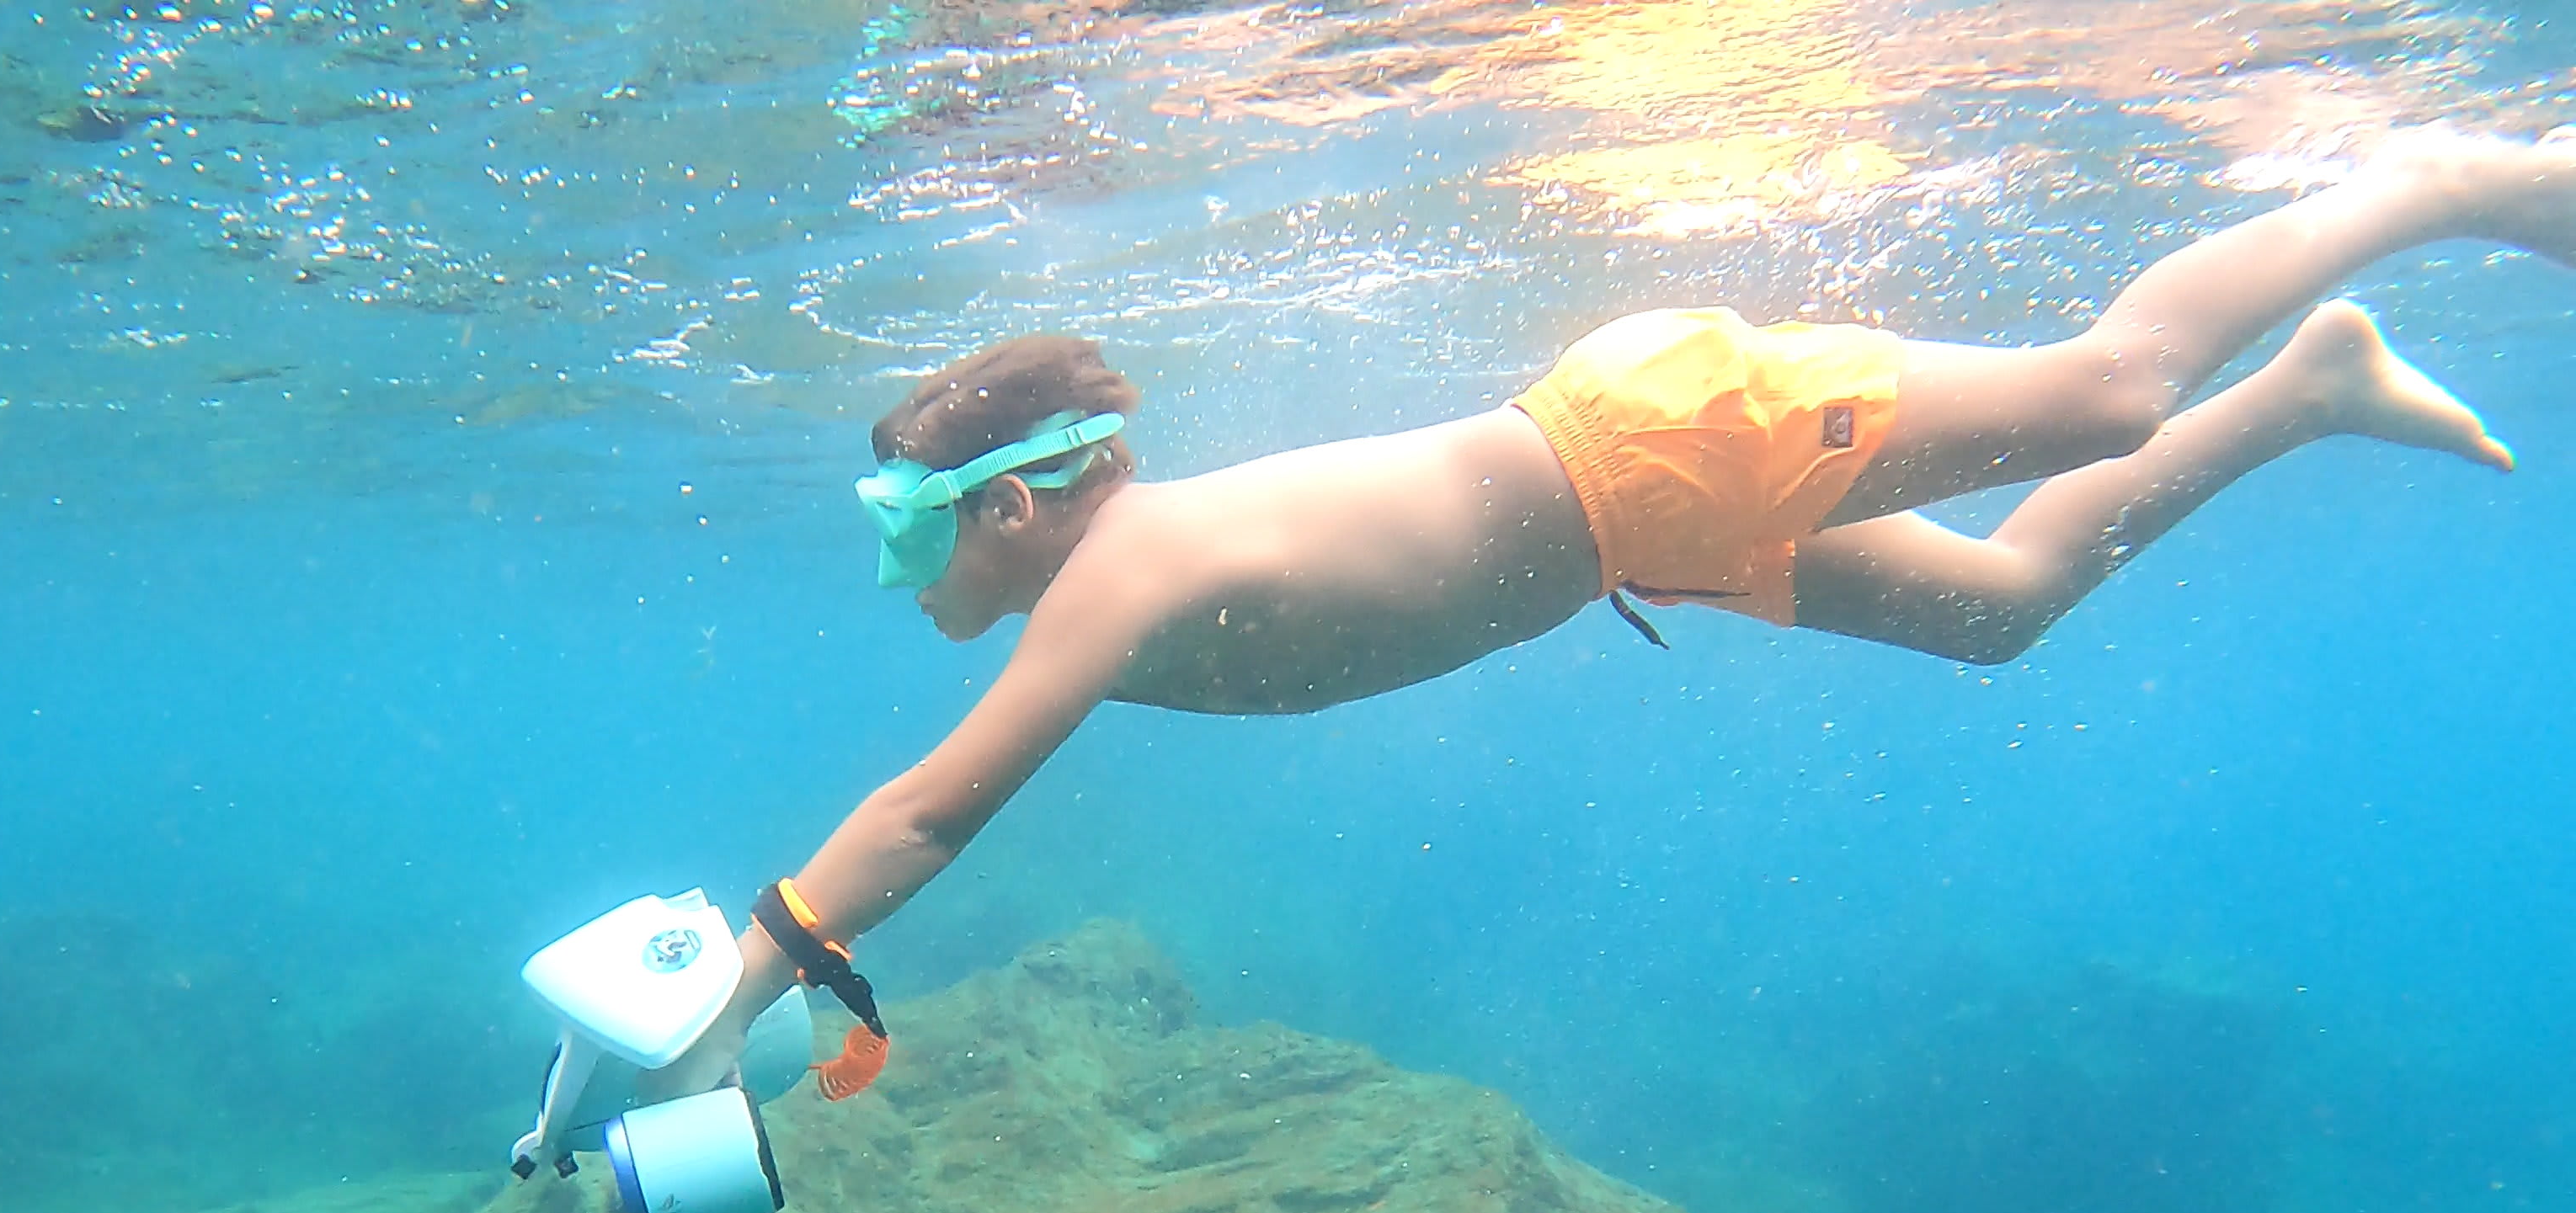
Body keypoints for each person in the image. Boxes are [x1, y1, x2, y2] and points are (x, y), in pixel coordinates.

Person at [650, 131, 2562, 1099]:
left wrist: (751, 974)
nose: (906, 580)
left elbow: (924, 811)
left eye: (914, 538)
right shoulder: (1117, 594)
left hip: (1659, 447)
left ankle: (2436, 177)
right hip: (1633, 535)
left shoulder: (1122, 569)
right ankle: (2312, 384)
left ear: (1007, 507)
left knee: (2111, 387)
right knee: (2001, 615)